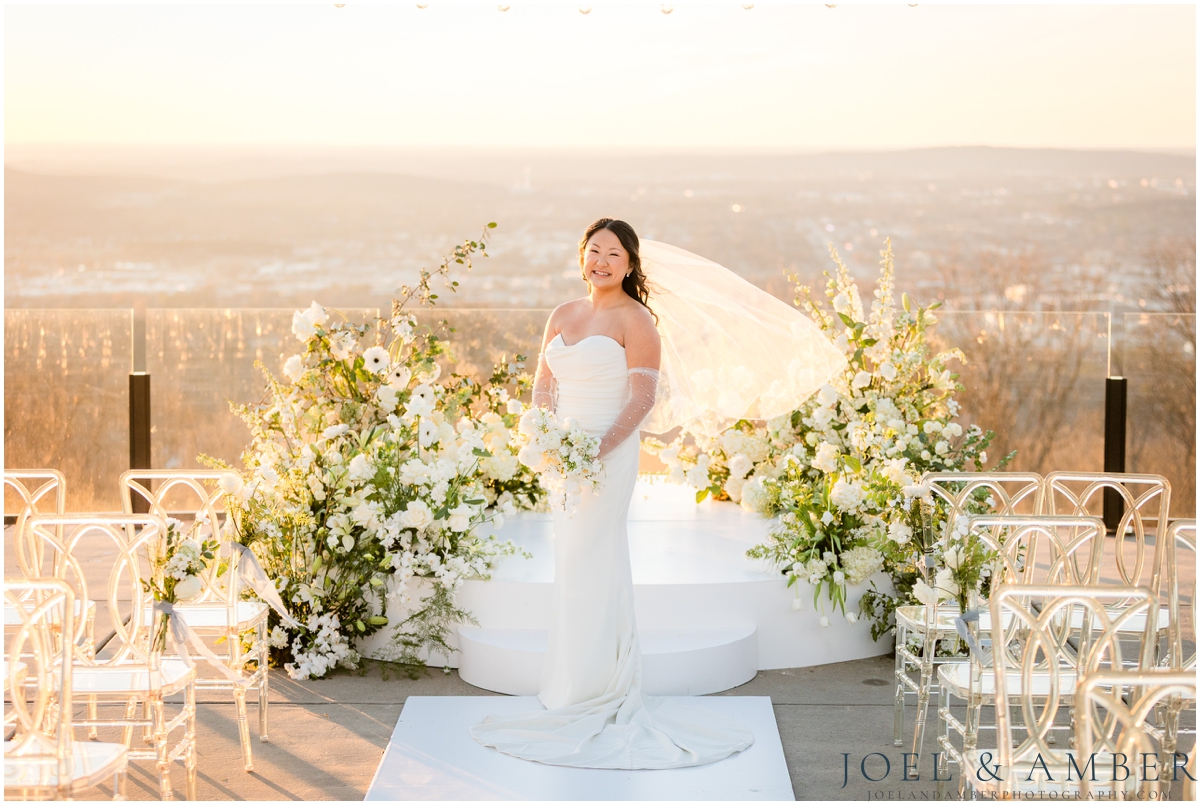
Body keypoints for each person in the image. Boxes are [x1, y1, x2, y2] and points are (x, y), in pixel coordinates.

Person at [470, 217, 844, 769]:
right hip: (564, 459)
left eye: (613, 254)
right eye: (593, 251)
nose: (601, 261)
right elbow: (543, 383)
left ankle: (597, 686)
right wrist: (546, 435)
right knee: (572, 561)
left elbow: (642, 399)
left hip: (607, 454)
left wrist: (594, 449)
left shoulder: (637, 319)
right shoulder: (562, 314)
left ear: (630, 264)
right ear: (581, 256)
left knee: (594, 557)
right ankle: (571, 679)